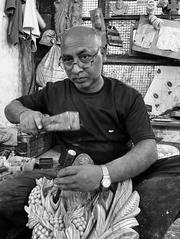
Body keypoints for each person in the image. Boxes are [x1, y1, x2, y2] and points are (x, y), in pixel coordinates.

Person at [2, 25, 180, 239]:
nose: (75, 69)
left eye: (85, 57)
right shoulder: (55, 92)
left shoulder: (126, 97)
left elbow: (148, 149)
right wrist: (24, 114)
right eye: (68, 60)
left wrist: (103, 174)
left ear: (102, 53)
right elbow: (11, 108)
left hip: (117, 173)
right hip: (68, 172)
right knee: (6, 197)